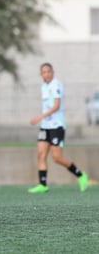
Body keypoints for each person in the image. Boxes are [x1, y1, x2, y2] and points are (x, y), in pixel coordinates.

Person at [28, 62, 88, 193]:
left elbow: (56, 106)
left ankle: (80, 175)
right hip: (45, 127)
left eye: (49, 71)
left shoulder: (56, 85)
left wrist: (40, 116)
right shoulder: (43, 86)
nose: (47, 74)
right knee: (41, 154)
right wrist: (42, 119)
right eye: (44, 72)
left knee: (57, 157)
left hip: (57, 126)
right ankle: (43, 184)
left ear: (53, 72)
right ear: (41, 74)